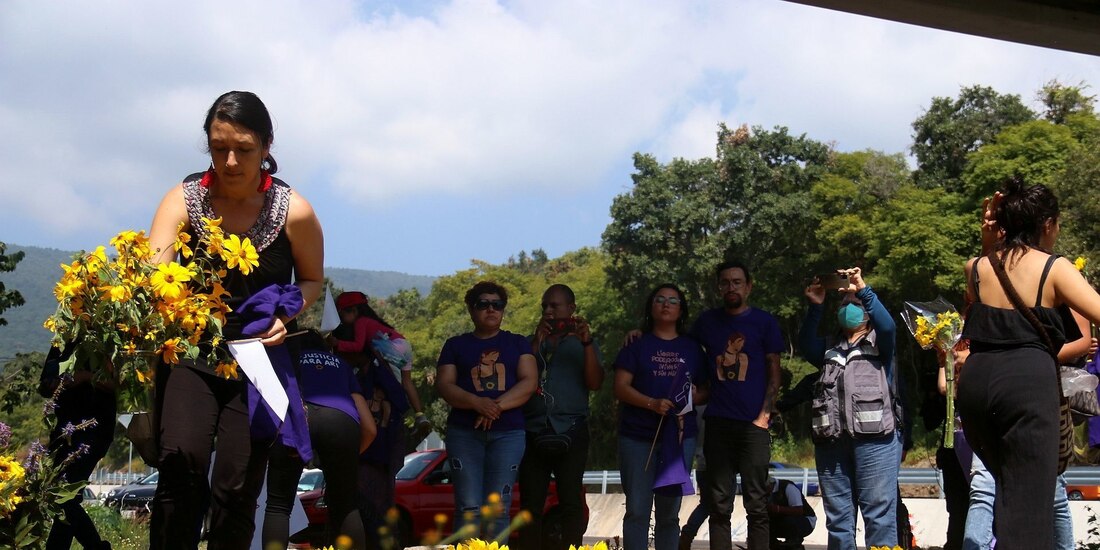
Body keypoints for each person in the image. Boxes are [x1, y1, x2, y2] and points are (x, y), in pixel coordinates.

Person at [147, 91, 324, 550]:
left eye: (243, 149)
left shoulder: (296, 212)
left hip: (257, 359)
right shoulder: (182, 200)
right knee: (180, 467)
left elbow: (310, 281)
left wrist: (287, 313)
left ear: (266, 147)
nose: (229, 161)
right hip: (190, 354)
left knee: (237, 485)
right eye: (218, 147)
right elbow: (153, 271)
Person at [955, 177, 1100, 549]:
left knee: (1004, 486)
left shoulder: (976, 266)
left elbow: (977, 303)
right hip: (1025, 384)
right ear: (1047, 224)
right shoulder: (1055, 267)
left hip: (976, 386)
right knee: (1029, 502)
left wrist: (991, 238)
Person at [798, 267, 902, 549]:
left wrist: (862, 289)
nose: (848, 307)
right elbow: (805, 343)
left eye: (855, 303)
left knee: (879, 518)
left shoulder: (882, 344)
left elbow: (889, 325)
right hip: (831, 444)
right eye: (844, 303)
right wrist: (816, 307)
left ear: (868, 311)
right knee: (839, 522)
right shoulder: (829, 348)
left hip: (877, 444)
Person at [691, 261, 783, 550]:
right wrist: (639, 334)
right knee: (719, 505)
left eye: (737, 282)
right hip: (717, 423)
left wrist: (764, 415)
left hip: (754, 426)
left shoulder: (765, 322)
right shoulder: (706, 322)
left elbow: (774, 370)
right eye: (725, 282)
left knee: (757, 504)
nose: (731, 287)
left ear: (748, 286)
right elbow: (679, 344)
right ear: (719, 287)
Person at [435, 281, 537, 536]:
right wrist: (476, 402)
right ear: (471, 309)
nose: (491, 309)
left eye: (497, 304)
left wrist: (494, 407)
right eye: (483, 304)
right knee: (468, 507)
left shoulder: (518, 343)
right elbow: (445, 385)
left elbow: (530, 382)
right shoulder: (455, 345)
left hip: (509, 434)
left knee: (498, 508)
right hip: (464, 433)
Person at [261, 330, 376, 549]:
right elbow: (369, 428)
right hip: (340, 422)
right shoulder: (341, 365)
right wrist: (346, 458)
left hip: (296, 418)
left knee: (278, 506)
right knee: (347, 506)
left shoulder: (285, 359)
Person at [614, 284, 705, 550]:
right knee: (637, 511)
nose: (666, 304)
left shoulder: (692, 348)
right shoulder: (636, 343)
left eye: (673, 301)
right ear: (651, 307)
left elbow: (706, 390)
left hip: (679, 440)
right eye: (660, 299)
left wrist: (690, 398)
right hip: (637, 437)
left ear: (681, 310)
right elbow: (620, 387)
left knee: (669, 515)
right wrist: (651, 403)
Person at [517, 284, 603, 550]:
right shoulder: (530, 343)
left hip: (572, 429)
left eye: (555, 306)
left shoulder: (584, 342)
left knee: (570, 501)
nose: (549, 312)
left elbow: (595, 382)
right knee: (530, 503)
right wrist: (536, 343)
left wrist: (586, 341)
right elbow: (519, 379)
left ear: (571, 309)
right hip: (534, 430)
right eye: (545, 306)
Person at [40, 345, 115, 550]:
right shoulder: (63, 341)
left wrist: (85, 377)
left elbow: (123, 384)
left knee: (65, 496)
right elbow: (45, 386)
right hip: (62, 431)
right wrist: (63, 380)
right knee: (61, 496)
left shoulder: (111, 338)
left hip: (95, 430)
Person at [764, 477, 816, 550]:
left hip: (806, 521)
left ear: (770, 484)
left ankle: (794, 543)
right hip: (782, 520)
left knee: (789, 520)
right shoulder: (765, 493)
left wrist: (777, 509)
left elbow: (799, 510)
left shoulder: (788, 487)